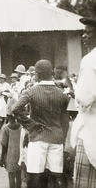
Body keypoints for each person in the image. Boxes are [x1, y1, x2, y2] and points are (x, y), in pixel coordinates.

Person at [12, 59, 69, 188]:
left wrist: (31, 125)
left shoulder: (31, 91)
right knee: (56, 175)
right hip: (57, 138)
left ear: (37, 74)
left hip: (38, 137)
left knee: (35, 176)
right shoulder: (62, 94)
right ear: (52, 73)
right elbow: (65, 120)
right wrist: (62, 136)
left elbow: (16, 108)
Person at [70, 17, 96, 188]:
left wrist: (74, 91)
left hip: (91, 128)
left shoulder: (89, 60)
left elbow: (84, 100)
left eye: (89, 32)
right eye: (83, 32)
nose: (84, 36)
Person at [0, 114, 22, 188]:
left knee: (11, 175)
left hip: (10, 155)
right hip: (20, 155)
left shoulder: (5, 128)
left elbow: (4, 145)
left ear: (7, 116)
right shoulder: (21, 127)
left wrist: (2, 158)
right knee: (19, 175)